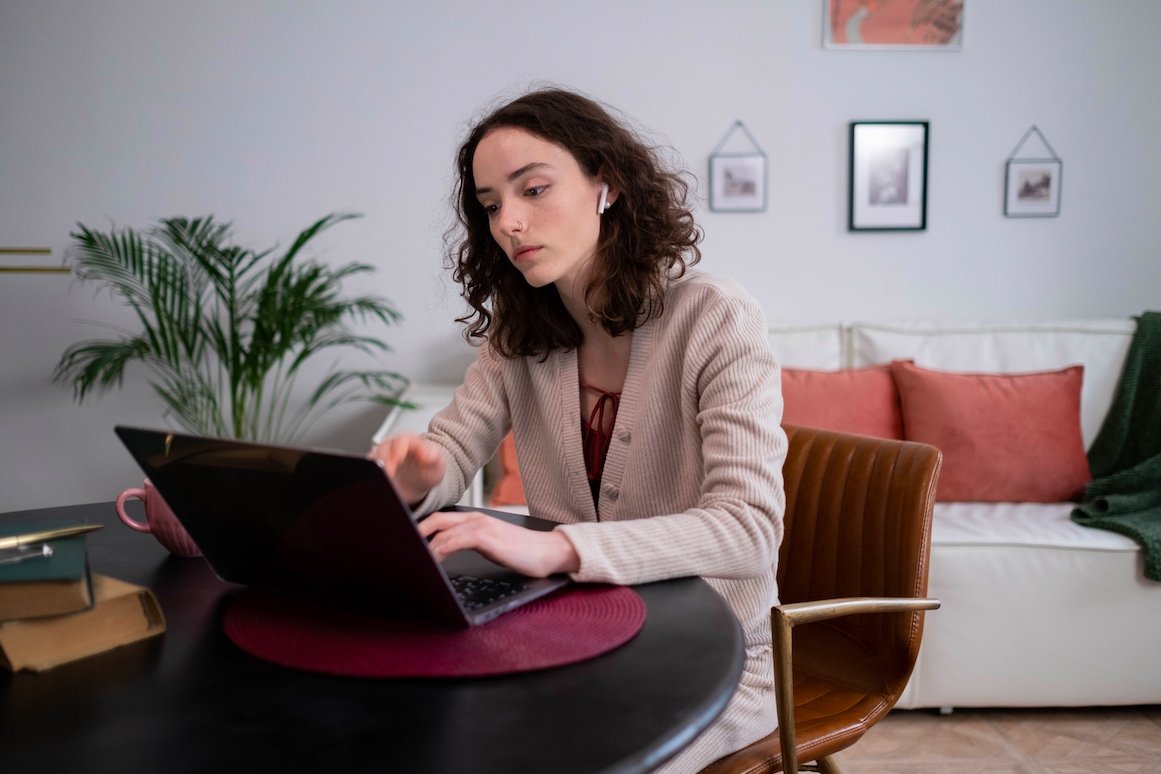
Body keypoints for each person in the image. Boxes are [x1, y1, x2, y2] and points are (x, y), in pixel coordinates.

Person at [371, 87, 786, 772]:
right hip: (569, 638)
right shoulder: (518, 334)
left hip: (721, 660)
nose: (510, 221)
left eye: (533, 189)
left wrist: (558, 548)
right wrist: (424, 473)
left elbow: (748, 529)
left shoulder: (715, 317)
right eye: (491, 204)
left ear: (607, 184)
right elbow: (448, 448)